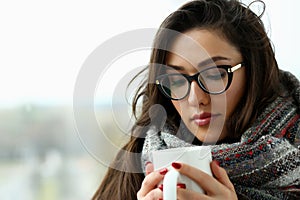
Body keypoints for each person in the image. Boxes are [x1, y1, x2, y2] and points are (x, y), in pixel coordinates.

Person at [93, 0, 300, 199]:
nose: (195, 99)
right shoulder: (138, 165)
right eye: (175, 79)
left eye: (215, 74)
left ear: (256, 71)